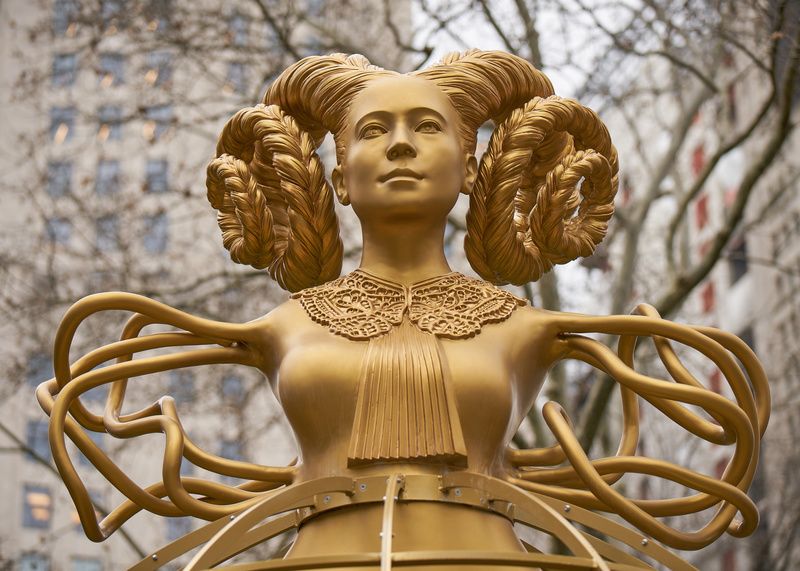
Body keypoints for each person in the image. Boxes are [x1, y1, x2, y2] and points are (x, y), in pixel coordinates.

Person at [38, 51, 769, 571]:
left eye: (426, 127)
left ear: (472, 167)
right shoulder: (282, 326)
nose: (398, 146)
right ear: (339, 178)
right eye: (372, 130)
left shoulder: (527, 326)